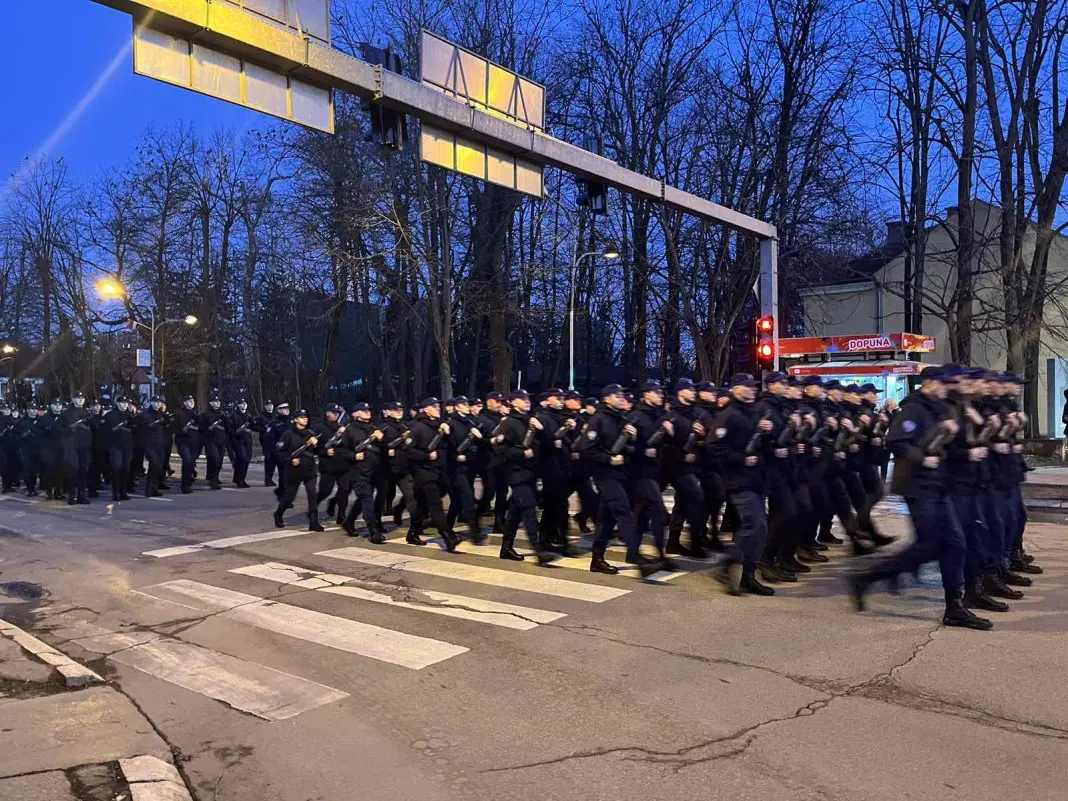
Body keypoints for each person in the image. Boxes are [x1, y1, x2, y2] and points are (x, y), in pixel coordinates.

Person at [848, 364, 992, 630]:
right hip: (916, 486)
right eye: (942, 383)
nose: (945, 387)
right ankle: (869, 578)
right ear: (928, 384)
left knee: (955, 544)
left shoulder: (941, 408)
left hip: (938, 486)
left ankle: (954, 607)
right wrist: (923, 458)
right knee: (930, 546)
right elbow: (896, 441)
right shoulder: (914, 409)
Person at [711, 374, 774, 596]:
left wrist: (767, 432)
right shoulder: (728, 415)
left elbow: (762, 444)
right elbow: (715, 448)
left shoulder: (754, 412)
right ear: (736, 389)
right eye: (747, 387)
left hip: (757, 478)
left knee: (758, 529)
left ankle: (748, 576)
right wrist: (741, 459)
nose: (752, 390)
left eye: (753, 386)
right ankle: (728, 563)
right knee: (755, 525)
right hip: (739, 480)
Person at [495, 390, 555, 565]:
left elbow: (547, 444)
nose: (527, 401)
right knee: (529, 510)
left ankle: (506, 547)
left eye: (528, 398)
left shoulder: (531, 421)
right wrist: (521, 453)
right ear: (513, 403)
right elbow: (500, 449)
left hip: (531, 473)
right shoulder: (508, 423)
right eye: (523, 399)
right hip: (516, 473)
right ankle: (538, 550)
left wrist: (541, 429)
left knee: (515, 511)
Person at [405, 398, 460, 551]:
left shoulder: (439, 425)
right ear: (425, 409)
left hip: (439, 471)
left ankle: (412, 533)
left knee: (422, 506)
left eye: (438, 406)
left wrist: (448, 433)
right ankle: (448, 537)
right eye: (434, 406)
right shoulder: (417, 427)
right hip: (424, 473)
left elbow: (450, 446)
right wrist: (426, 456)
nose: (438, 408)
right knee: (436, 505)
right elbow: (409, 451)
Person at [340, 402, 386, 542]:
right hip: (358, 471)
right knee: (367, 499)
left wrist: (382, 439)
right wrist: (353, 456)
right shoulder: (349, 430)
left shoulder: (374, 428)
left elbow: (383, 449)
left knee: (363, 500)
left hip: (374, 470)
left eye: (368, 410)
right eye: (363, 410)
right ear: (355, 414)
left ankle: (349, 521)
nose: (367, 412)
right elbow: (342, 451)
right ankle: (373, 531)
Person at [273, 409, 323, 531]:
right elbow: (279, 452)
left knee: (312, 495)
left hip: (309, 469)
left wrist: (316, 444)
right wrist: (290, 460)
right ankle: (279, 514)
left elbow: (319, 451)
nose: (305, 419)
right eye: (301, 417)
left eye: (306, 417)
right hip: (294, 471)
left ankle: (313, 521)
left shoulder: (310, 433)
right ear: (295, 419)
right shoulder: (288, 434)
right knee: (289, 497)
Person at [59, 392, 93, 505]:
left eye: (82, 398)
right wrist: (69, 430)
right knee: (73, 470)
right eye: (78, 398)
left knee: (84, 470)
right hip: (71, 445)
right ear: (73, 399)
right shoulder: (66, 414)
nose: (80, 400)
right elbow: (59, 429)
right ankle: (71, 494)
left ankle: (81, 495)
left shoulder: (87, 413)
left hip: (85, 445)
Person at [104, 397, 135, 500]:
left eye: (126, 403)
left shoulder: (130, 416)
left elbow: (135, 429)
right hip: (115, 445)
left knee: (126, 468)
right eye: (122, 403)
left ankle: (123, 491)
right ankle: (116, 492)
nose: (125, 405)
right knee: (117, 467)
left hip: (127, 445)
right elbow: (107, 432)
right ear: (117, 403)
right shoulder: (110, 416)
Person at [172, 395, 200, 493]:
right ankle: (185, 485)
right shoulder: (179, 413)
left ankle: (189, 479)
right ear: (184, 403)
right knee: (187, 461)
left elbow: (200, 427)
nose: (192, 402)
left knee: (191, 462)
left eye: (192, 400)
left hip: (194, 442)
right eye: (189, 400)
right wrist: (182, 430)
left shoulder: (195, 414)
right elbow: (175, 428)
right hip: (183, 441)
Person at [199, 392, 227, 490]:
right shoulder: (205, 414)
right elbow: (202, 428)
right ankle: (213, 481)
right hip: (210, 440)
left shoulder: (222, 414)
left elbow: (227, 427)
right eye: (215, 401)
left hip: (221, 440)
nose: (217, 403)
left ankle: (214, 477)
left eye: (218, 401)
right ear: (211, 403)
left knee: (219, 460)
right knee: (214, 459)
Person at [228, 398, 253, 488]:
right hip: (238, 440)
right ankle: (240, 480)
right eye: (242, 403)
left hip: (247, 440)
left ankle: (239, 477)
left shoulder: (249, 415)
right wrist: (235, 432)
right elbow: (230, 428)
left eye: (245, 403)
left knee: (247, 459)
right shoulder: (234, 415)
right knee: (242, 459)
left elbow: (253, 426)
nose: (244, 405)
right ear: (238, 405)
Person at [255, 400, 278, 487]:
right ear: (265, 407)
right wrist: (263, 429)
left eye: (271, 405)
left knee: (274, 460)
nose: (270, 406)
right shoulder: (261, 417)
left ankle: (270, 479)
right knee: (268, 460)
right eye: (268, 405)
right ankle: (267, 479)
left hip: (275, 441)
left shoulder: (276, 416)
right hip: (266, 441)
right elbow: (254, 426)